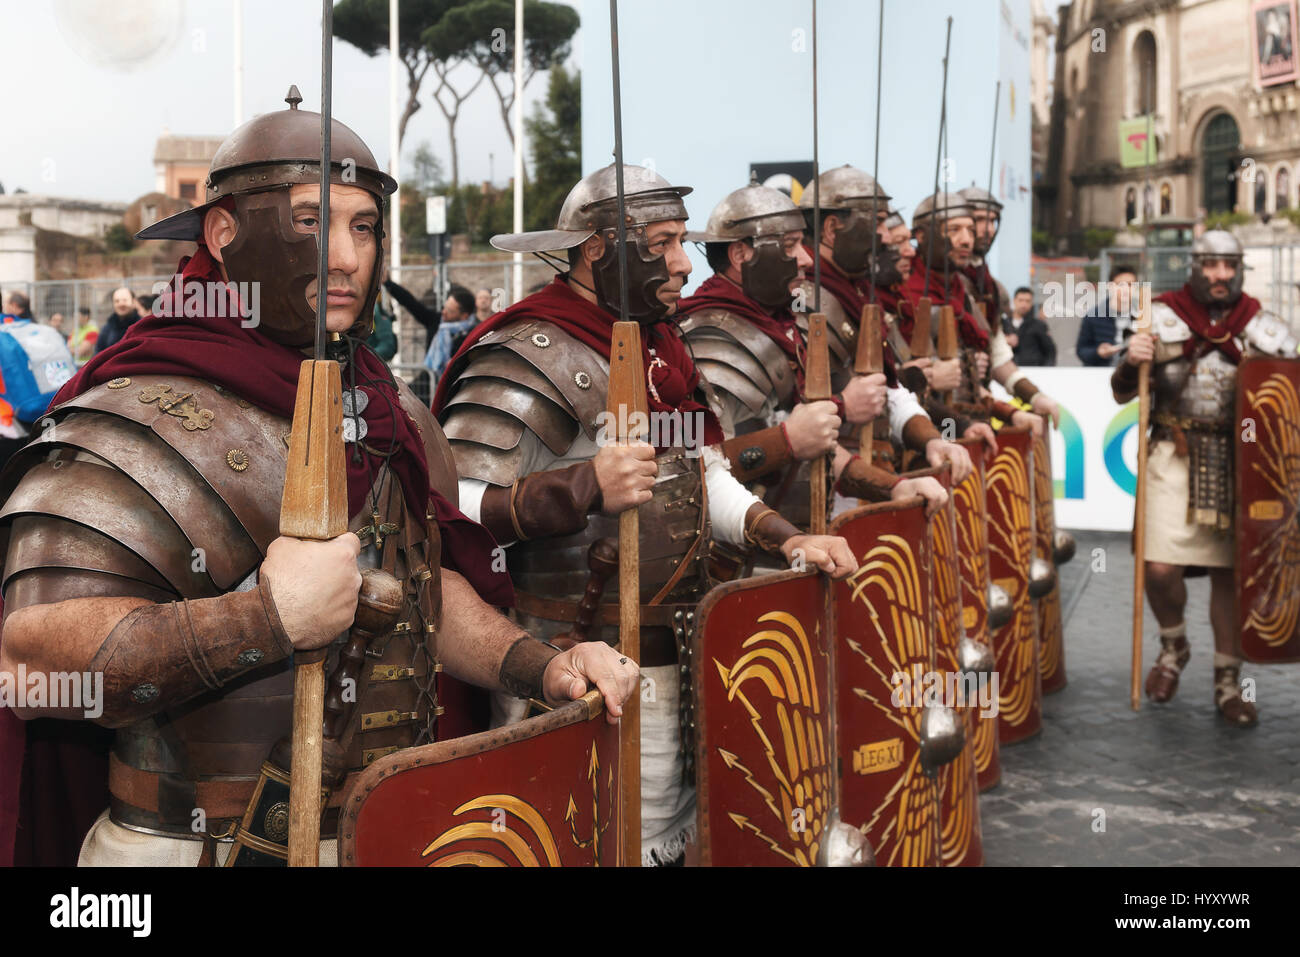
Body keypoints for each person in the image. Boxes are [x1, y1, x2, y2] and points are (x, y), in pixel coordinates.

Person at [0, 86, 637, 867]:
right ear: (225, 233)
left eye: (363, 226)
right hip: (195, 847)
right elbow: (31, 663)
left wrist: (543, 663)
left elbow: (426, 589)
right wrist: (263, 618)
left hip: (386, 828)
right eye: (311, 221)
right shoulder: (131, 412)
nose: (346, 255)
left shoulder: (389, 408)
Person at [434, 163, 858, 865]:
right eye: (661, 243)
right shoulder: (525, 354)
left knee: (666, 841)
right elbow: (455, 510)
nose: (683, 262)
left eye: (682, 241)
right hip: (572, 660)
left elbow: (706, 475)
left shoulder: (666, 348)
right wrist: (580, 488)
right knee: (579, 841)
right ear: (599, 249)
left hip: (677, 647)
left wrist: (789, 538)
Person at [676, 178, 950, 546]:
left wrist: (895, 487)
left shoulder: (783, 323)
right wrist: (787, 440)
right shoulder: (709, 339)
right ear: (742, 254)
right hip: (746, 552)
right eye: (790, 246)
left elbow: (819, 447)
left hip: (804, 538)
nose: (806, 258)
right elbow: (698, 468)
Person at [1114, 231, 1296, 728]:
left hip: (1242, 464)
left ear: (1239, 269)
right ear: (1194, 267)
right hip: (1172, 455)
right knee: (1158, 568)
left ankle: (1228, 682)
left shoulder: (1263, 326)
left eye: (1228, 265)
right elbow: (1120, 393)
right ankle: (1174, 646)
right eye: (1211, 265)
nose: (1220, 275)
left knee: (1230, 576)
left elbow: (1286, 398)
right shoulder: (1161, 316)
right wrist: (1133, 361)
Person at [896, 191, 1045, 437]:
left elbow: (989, 360)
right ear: (922, 236)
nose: (967, 240)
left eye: (970, 230)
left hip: (968, 421)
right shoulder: (902, 291)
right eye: (954, 230)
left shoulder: (964, 288)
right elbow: (895, 379)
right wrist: (929, 377)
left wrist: (1021, 405)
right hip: (928, 427)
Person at [1077, 266, 1136, 367]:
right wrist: (1098, 353)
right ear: (1110, 286)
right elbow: (1081, 351)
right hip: (1102, 373)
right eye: (1120, 285)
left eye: (1130, 285)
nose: (1125, 289)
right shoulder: (1093, 316)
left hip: (1132, 375)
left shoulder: (1145, 315)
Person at [423, 285, 477, 384]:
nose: (443, 312)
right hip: (432, 383)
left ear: (464, 316)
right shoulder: (439, 324)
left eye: (450, 311)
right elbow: (411, 303)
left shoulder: (473, 336)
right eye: (444, 307)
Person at [1003, 287, 1056, 367]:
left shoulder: (1039, 325)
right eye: (1020, 300)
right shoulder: (1003, 324)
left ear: (1031, 303)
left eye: (1027, 301)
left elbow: (1050, 351)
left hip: (1033, 371)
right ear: (1014, 301)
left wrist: (1046, 370)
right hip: (1007, 371)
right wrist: (1004, 340)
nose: (1024, 305)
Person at [92, 286, 140, 354]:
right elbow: (97, 353)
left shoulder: (141, 325)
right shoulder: (107, 328)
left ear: (133, 302)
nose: (121, 304)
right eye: (117, 301)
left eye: (125, 300)